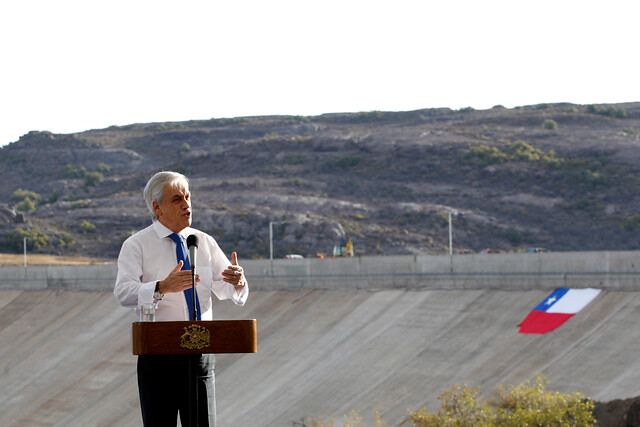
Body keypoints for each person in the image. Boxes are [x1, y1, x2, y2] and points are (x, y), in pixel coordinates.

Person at [114, 171, 248, 427]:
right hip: (158, 356)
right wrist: (161, 286)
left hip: (200, 355)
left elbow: (227, 287)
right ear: (157, 207)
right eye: (177, 199)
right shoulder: (136, 245)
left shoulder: (204, 242)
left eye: (187, 197)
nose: (187, 204)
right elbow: (122, 292)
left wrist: (238, 282)